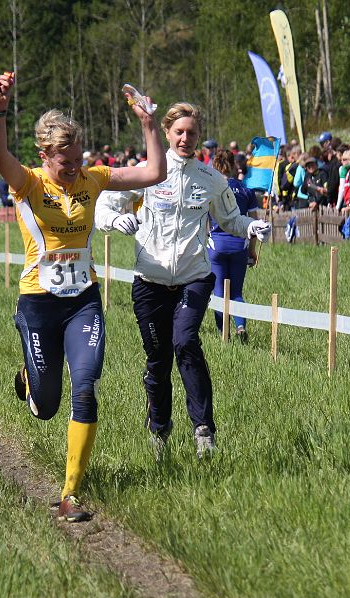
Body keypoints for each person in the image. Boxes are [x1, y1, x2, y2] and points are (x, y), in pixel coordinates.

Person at [0, 71, 165, 522]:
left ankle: (70, 493)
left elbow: (153, 172)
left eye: (77, 159)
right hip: (38, 303)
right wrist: (0, 110)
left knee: (85, 388)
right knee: (46, 406)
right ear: (44, 156)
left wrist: (148, 123)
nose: (72, 168)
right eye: (63, 161)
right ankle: (30, 379)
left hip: (83, 300)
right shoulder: (29, 183)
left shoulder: (93, 179)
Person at [95, 102, 271, 463]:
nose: (185, 138)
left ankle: (204, 431)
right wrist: (114, 221)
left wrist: (251, 227)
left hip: (194, 277)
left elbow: (231, 219)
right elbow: (103, 205)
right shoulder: (146, 172)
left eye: (191, 132)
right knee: (158, 359)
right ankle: (159, 429)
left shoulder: (211, 178)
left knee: (186, 342)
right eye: (179, 132)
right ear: (167, 133)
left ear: (199, 135)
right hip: (150, 280)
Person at [206, 149, 260, 342]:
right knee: (236, 292)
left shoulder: (210, 188)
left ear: (214, 165)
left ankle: (224, 334)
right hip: (239, 245)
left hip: (216, 245)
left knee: (219, 292)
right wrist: (252, 250)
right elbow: (254, 224)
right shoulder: (246, 190)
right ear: (234, 165)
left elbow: (203, 220)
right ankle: (240, 327)